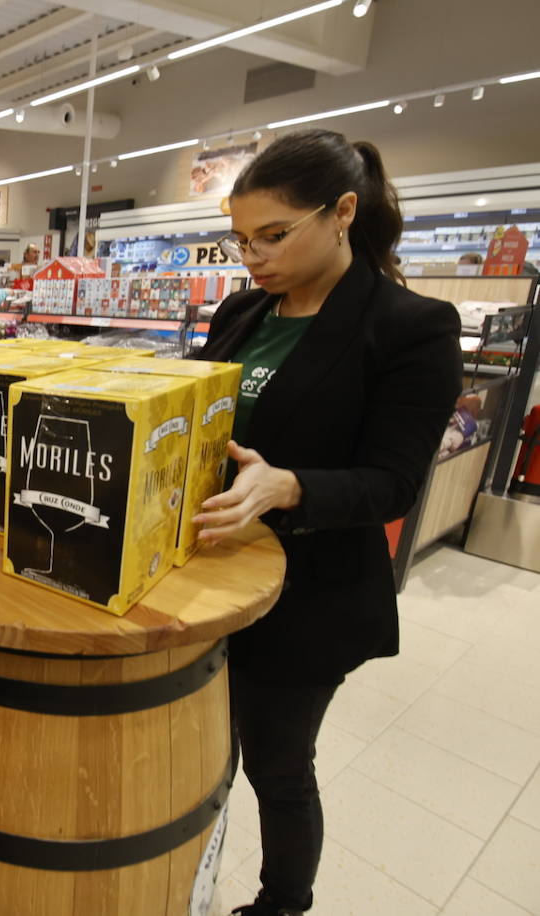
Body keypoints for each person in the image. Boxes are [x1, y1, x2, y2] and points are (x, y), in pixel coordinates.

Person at [194, 129, 461, 916]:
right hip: (214, 576)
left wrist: (290, 487)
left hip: (311, 598)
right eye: (241, 240)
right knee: (206, 755)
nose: (254, 257)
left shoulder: (411, 327)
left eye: (275, 235)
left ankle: (282, 904)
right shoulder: (243, 312)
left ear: (343, 211)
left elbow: (394, 482)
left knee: (277, 764)